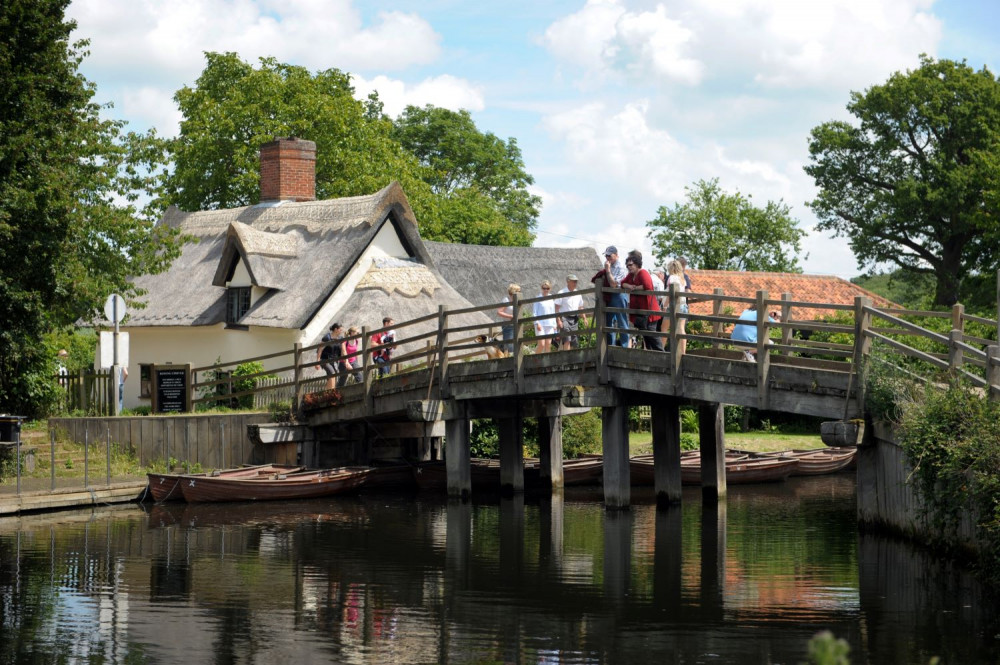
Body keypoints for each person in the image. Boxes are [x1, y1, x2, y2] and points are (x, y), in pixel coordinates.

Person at [620, 249, 663, 351]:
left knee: (653, 337)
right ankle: (652, 358)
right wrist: (630, 286)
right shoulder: (631, 275)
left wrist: (635, 288)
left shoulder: (643, 273)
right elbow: (622, 283)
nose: (629, 267)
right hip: (641, 312)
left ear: (637, 264)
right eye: (627, 265)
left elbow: (647, 286)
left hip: (649, 311)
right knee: (646, 337)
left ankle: (663, 356)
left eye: (631, 265)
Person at [591, 246, 630, 347]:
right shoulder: (610, 265)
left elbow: (614, 284)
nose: (607, 258)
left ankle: (625, 348)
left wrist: (607, 271)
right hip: (610, 296)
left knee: (622, 322)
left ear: (616, 255)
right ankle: (610, 347)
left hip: (619, 295)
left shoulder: (620, 266)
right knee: (608, 322)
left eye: (610, 255)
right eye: (606, 255)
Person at [555, 274, 588, 350]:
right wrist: (559, 320)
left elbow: (580, 307)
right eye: (573, 281)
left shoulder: (578, 293)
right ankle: (567, 359)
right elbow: (556, 308)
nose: (575, 283)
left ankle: (572, 359)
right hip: (564, 318)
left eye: (576, 281)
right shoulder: (561, 292)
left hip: (574, 318)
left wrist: (584, 318)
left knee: (574, 340)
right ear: (568, 282)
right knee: (567, 339)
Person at [665, 259, 688, 355]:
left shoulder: (672, 278)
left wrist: (664, 305)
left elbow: (670, 294)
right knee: (681, 329)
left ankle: (660, 349)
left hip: (673, 306)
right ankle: (683, 352)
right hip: (683, 305)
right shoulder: (682, 278)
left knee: (664, 328)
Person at [316, 323, 343, 390]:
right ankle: (332, 391)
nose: (341, 331)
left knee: (331, 375)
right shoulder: (327, 338)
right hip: (325, 359)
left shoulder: (340, 338)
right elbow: (320, 349)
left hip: (334, 360)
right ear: (336, 329)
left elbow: (342, 350)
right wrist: (318, 362)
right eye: (340, 330)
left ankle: (327, 392)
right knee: (332, 373)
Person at [533, 280, 557, 353]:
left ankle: (547, 363)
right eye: (544, 288)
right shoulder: (538, 298)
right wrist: (537, 323)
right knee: (541, 344)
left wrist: (554, 324)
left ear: (550, 289)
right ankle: (536, 361)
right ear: (541, 288)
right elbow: (534, 312)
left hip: (550, 324)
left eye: (547, 288)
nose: (546, 290)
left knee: (548, 344)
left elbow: (553, 312)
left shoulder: (551, 298)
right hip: (540, 324)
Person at [496, 283, 522, 353]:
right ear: (514, 291)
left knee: (516, 344)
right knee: (509, 345)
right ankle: (508, 359)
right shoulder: (506, 300)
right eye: (518, 291)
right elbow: (499, 312)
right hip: (508, 325)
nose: (520, 293)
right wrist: (510, 316)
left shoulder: (517, 300)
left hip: (516, 325)